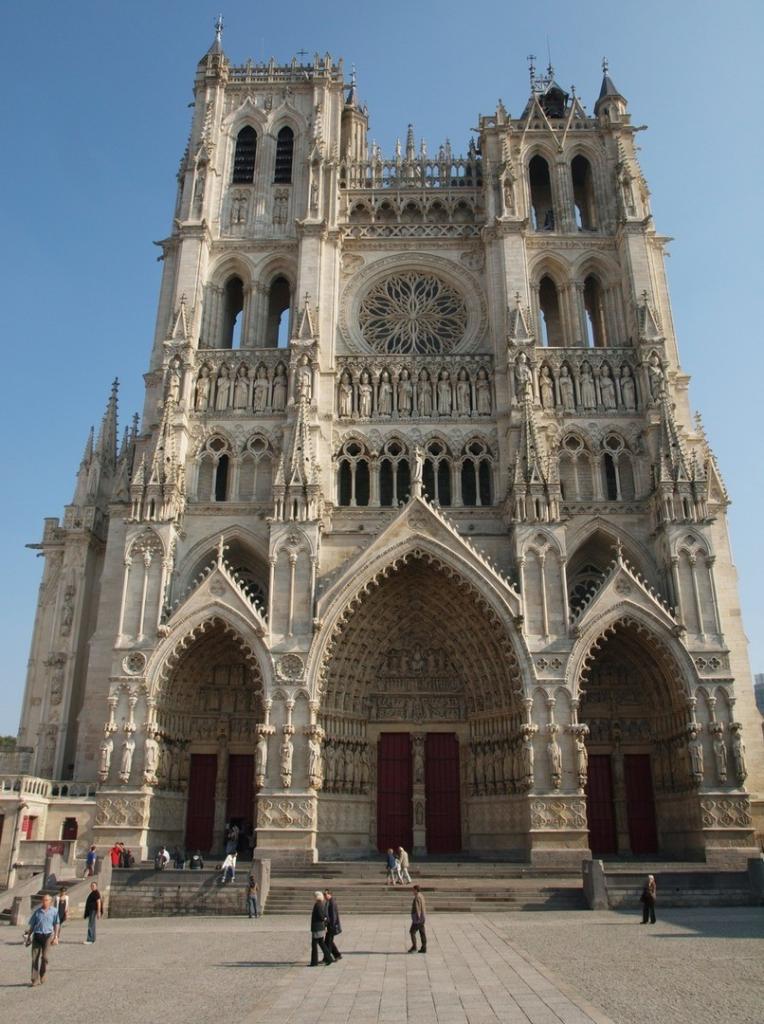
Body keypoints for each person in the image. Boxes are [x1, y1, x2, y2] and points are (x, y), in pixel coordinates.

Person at [24, 893, 59, 985]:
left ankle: (42, 973)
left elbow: (56, 924)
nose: (44, 902)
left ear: (50, 901)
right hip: (37, 935)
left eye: (46, 900)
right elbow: (32, 925)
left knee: (45, 957)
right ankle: (34, 979)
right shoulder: (37, 912)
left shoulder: (54, 911)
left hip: (48, 936)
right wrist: (28, 937)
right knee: (35, 958)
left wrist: (56, 936)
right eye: (43, 900)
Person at [309, 891, 333, 967]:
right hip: (319, 927)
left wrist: (324, 919)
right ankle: (329, 958)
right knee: (321, 943)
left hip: (317, 927)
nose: (313, 897)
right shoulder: (320, 904)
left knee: (315, 945)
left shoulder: (318, 905)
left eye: (314, 896)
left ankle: (314, 962)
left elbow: (321, 916)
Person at [323, 888, 342, 961]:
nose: (324, 896)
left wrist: (331, 926)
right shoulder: (328, 901)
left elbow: (333, 916)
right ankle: (337, 955)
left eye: (325, 894)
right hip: (330, 925)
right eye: (324, 894)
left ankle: (326, 958)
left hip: (331, 926)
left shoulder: (332, 902)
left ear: (330, 894)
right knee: (329, 941)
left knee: (328, 942)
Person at [408, 885, 427, 953]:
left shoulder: (417, 897)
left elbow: (417, 908)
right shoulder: (421, 895)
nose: (412, 891)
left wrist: (418, 918)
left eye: (413, 890)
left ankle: (414, 947)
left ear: (416, 890)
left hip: (418, 919)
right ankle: (424, 948)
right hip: (422, 917)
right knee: (422, 933)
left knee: (412, 932)